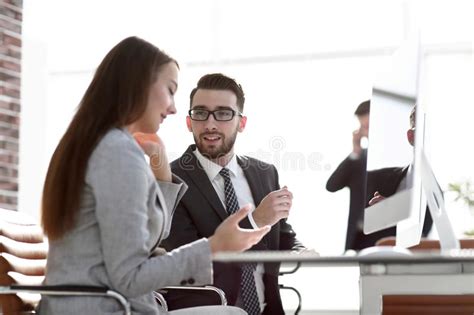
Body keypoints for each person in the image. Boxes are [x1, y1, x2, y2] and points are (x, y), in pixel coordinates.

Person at [39, 36, 271, 315]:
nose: (173, 107)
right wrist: (214, 246)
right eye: (170, 90)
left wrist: (160, 171)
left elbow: (147, 239)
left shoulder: (97, 144)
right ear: (138, 86)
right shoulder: (117, 153)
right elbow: (131, 276)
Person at [162, 73, 305, 315]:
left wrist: (303, 251)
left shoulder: (265, 172)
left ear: (241, 122)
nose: (210, 124)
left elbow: (280, 236)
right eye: (200, 113)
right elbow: (185, 262)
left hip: (266, 308)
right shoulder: (170, 178)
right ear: (189, 122)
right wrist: (256, 220)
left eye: (223, 113)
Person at [364, 106, 433, 247]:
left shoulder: (436, 192)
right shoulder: (376, 178)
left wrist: (395, 211)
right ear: (411, 137)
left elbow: (422, 234)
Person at [326, 100, 370, 250]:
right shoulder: (358, 159)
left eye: (368, 126)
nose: (365, 131)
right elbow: (331, 185)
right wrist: (355, 151)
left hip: (386, 238)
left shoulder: (397, 155)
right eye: (363, 127)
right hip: (359, 238)